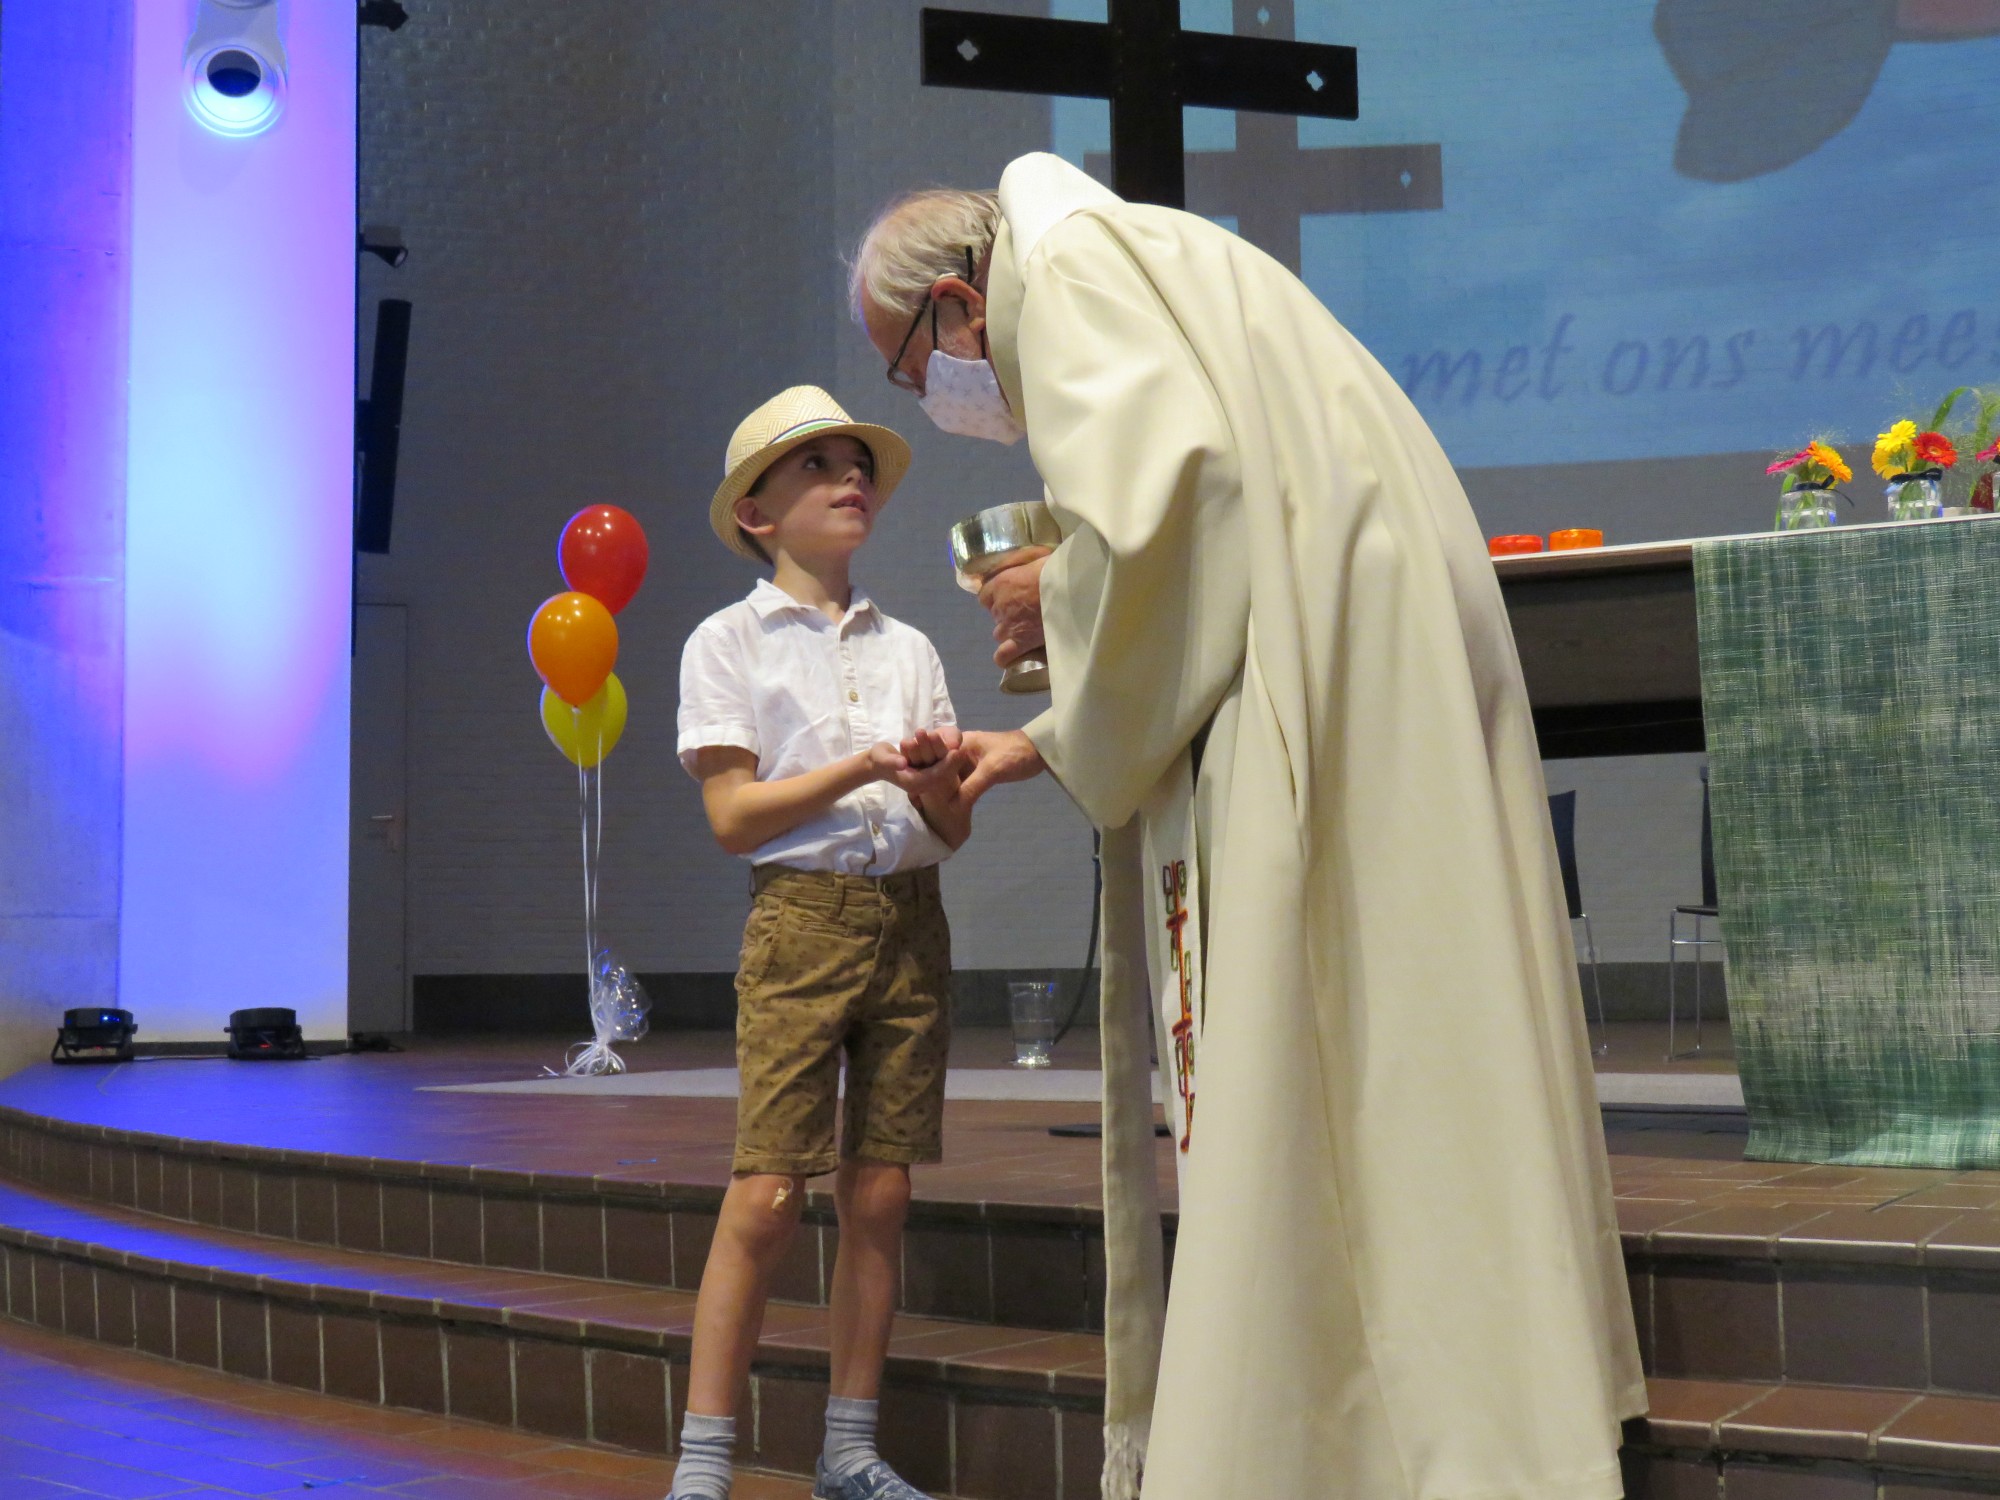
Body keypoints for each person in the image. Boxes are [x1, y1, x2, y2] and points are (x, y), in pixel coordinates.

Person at [847, 158, 1645, 1500]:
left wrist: (1062, 590)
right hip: (1347, 653)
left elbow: (1177, 518)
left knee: (1335, 1052)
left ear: (955, 304)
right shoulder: (1134, 253)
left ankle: (1344, 1434)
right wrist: (1040, 740)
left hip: (1319, 676)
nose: (936, 399)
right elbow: (1201, 530)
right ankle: (1454, 1399)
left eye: (911, 369)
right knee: (1406, 1057)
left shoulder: (1079, 274)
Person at [669, 385, 971, 1500]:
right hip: (799, 922)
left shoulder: (911, 644)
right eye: (816, 468)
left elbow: (947, 827)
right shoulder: (727, 642)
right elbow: (732, 820)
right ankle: (703, 1462)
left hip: (909, 922)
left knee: (881, 1191)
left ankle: (848, 1448)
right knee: (767, 1193)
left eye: (858, 464)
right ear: (756, 514)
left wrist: (940, 779)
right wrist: (863, 765)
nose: (851, 480)